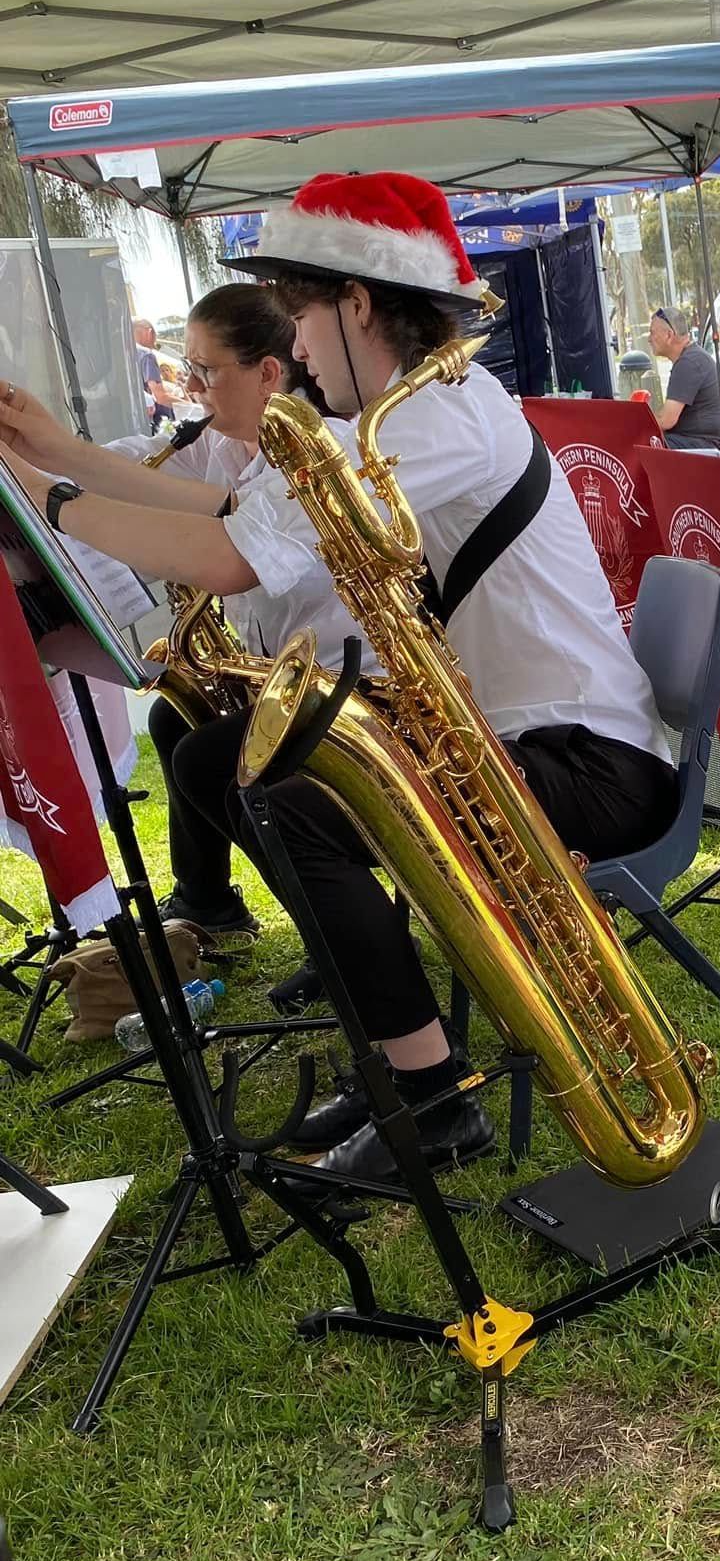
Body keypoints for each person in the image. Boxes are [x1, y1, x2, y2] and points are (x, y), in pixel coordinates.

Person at [3, 172, 679, 1177]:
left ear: (358, 303)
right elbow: (232, 516)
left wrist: (44, 497)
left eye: (303, 313)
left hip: (587, 761)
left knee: (288, 802)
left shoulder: (433, 419)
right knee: (214, 764)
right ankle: (392, 1037)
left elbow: (229, 556)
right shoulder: (422, 407)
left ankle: (430, 1097)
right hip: (527, 738)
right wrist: (54, 456)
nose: (298, 346)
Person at [0, 284, 356, 944]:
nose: (189, 387)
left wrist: (47, 487)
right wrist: (35, 445)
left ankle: (332, 930)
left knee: (204, 757)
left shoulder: (319, 451)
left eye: (205, 370)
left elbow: (229, 551)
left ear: (268, 373)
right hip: (280, 677)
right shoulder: (217, 444)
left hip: (340, 682)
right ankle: (219, 901)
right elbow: (129, 470)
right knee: (176, 721)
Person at [648, 306, 720, 454]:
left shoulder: (689, 363)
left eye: (652, 333)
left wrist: (636, 426)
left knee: (644, 442)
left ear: (669, 335)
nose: (649, 339)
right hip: (695, 440)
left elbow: (666, 420)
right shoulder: (692, 357)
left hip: (705, 445)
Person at [133, 318, 178, 429]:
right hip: (159, 423)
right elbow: (160, 396)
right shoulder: (147, 355)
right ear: (149, 333)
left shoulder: (124, 355)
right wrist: (192, 406)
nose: (154, 342)